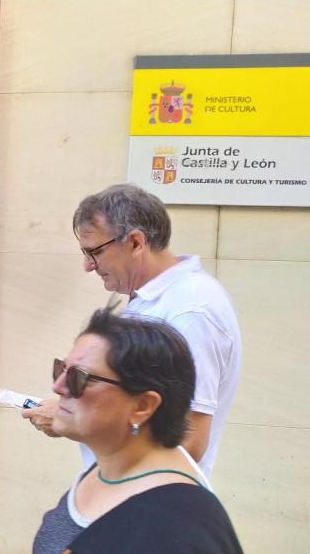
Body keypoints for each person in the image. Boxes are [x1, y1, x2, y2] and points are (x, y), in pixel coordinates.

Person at [24, 184, 242, 478]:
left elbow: (189, 440)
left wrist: (75, 424)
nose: (88, 266)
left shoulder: (190, 310)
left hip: (152, 501)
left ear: (136, 243)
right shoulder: (154, 299)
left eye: (94, 252)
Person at [33, 309, 248, 554]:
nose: (58, 387)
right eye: (60, 369)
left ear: (143, 406)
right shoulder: (110, 469)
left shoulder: (174, 529)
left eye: (79, 378)